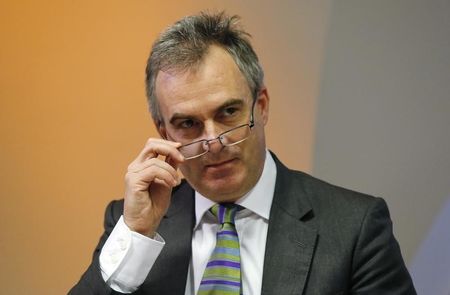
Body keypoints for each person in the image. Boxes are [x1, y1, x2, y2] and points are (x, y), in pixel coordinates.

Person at [70, 11, 416, 295]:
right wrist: (136, 234)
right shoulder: (134, 224)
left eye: (228, 113)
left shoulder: (354, 228)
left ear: (260, 107)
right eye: (188, 123)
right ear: (164, 134)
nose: (214, 142)